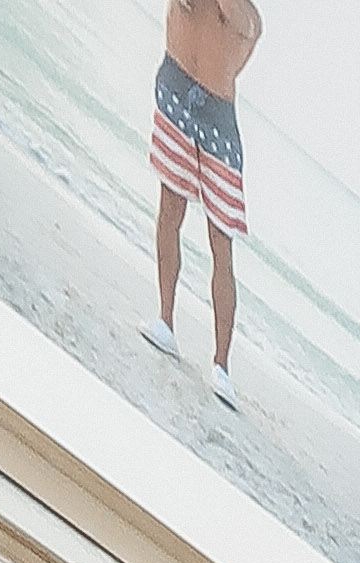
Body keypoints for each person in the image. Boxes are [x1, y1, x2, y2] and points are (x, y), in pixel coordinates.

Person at [142, 0, 258, 409]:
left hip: (217, 120)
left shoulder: (247, 17)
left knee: (219, 243)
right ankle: (165, 321)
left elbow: (240, 27)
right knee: (169, 212)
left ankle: (221, 364)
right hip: (175, 86)